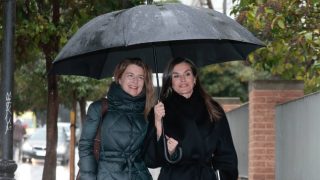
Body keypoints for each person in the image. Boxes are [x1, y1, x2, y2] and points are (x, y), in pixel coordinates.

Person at [144, 57, 238, 180]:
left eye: (187, 74)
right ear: (170, 81)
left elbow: (227, 155)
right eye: (176, 76)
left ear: (194, 79)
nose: (182, 79)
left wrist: (221, 176)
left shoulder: (213, 109)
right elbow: (151, 160)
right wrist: (158, 126)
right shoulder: (160, 111)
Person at [78, 58, 155, 180]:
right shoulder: (99, 108)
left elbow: (151, 158)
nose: (135, 81)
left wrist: (159, 124)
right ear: (119, 78)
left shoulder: (148, 113)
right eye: (130, 75)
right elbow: (86, 147)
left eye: (140, 77)